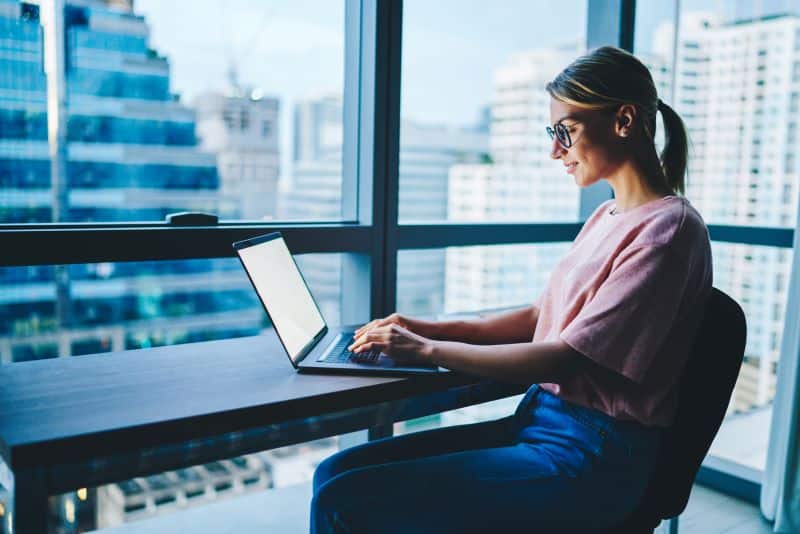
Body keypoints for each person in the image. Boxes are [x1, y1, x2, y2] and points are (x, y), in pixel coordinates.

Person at [310, 45, 713, 533]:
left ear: (623, 120)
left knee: (342, 502)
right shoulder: (607, 215)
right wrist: (423, 328)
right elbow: (538, 319)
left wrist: (427, 350)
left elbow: (564, 358)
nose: (555, 151)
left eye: (565, 131)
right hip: (542, 420)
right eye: (552, 133)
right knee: (334, 472)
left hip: (593, 456)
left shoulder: (669, 232)